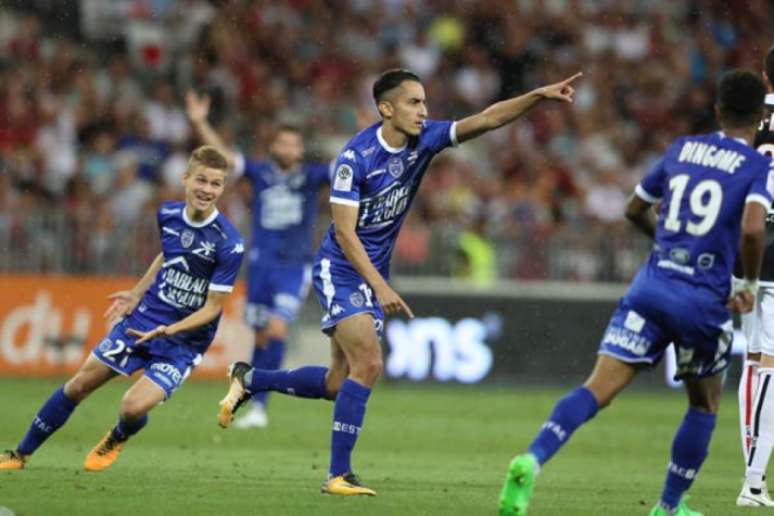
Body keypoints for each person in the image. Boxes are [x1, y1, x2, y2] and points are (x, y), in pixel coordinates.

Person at [216, 68, 581, 496]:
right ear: (386, 109)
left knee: (339, 383)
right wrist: (381, 287)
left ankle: (251, 379)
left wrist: (536, 94)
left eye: (425, 102)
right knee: (369, 363)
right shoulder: (355, 159)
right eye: (414, 102)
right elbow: (346, 235)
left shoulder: (425, 139)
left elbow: (488, 118)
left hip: (371, 274)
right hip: (341, 269)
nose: (423, 111)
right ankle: (337, 474)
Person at [498, 69, 772, 516]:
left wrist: (665, 244)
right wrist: (746, 284)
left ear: (718, 110)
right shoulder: (758, 166)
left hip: (650, 287)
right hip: (703, 300)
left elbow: (633, 208)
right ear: (761, 116)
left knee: (596, 389)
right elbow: (753, 229)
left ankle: (532, 457)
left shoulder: (683, 149)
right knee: (703, 404)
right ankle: (668, 507)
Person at [0, 145, 244, 471]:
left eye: (216, 184)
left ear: (223, 187)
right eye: (202, 180)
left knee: (131, 407)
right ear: (185, 179)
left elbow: (214, 308)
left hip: (183, 342)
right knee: (78, 385)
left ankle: (119, 434)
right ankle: (20, 455)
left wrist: (170, 329)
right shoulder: (168, 215)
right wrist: (136, 292)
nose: (207, 190)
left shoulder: (229, 242)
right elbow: (169, 256)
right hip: (142, 321)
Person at [186, 92, 330, 429]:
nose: (288, 149)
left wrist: (374, 137)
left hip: (294, 266)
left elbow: (350, 167)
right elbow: (222, 159)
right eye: (283, 143)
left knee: (278, 329)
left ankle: (261, 406)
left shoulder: (311, 177)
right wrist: (199, 122)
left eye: (294, 144)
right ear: (274, 147)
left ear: (300, 149)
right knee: (262, 336)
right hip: (261, 264)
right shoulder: (260, 172)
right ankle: (247, 397)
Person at [737, 44, 774, 507]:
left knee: (754, 359)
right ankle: (753, 479)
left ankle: (752, 468)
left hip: (744, 242)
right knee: (770, 365)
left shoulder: (746, 115)